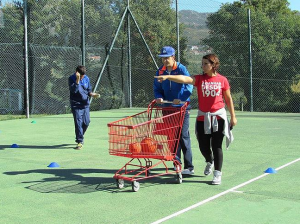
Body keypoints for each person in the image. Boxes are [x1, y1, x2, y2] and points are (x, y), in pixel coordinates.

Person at [155, 53, 237, 185]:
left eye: (206, 63)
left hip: (218, 117)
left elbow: (228, 99)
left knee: (216, 146)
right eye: (202, 63)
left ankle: (217, 174)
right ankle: (209, 161)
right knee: (203, 146)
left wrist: (233, 116)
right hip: (202, 117)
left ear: (213, 65)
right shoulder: (199, 79)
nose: (203, 66)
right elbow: (184, 79)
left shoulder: (222, 80)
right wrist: (167, 77)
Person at [154, 46, 194, 175]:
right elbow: (157, 88)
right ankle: (177, 163)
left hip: (182, 108)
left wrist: (181, 98)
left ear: (173, 57)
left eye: (167, 58)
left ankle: (189, 167)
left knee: (183, 135)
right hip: (168, 108)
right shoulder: (160, 71)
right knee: (171, 136)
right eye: (163, 58)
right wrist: (159, 97)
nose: (165, 60)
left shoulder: (181, 69)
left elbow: (189, 86)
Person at [68, 65, 99, 150]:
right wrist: (77, 80)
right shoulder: (71, 78)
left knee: (86, 122)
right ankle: (79, 141)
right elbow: (74, 90)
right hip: (76, 104)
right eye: (81, 76)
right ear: (77, 73)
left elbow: (88, 91)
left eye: (83, 76)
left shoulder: (86, 78)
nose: (83, 77)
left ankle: (80, 134)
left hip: (85, 104)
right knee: (78, 122)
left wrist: (92, 94)